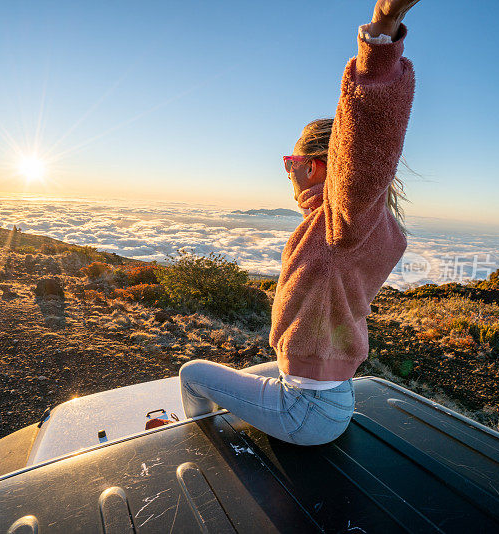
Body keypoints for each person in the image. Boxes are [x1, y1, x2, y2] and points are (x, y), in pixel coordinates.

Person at [179, 0, 420, 446]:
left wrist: (382, 36)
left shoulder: (343, 224)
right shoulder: (370, 225)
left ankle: (191, 439)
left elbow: (367, 140)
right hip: (332, 395)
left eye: (290, 160)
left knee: (193, 374)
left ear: (316, 167)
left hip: (307, 413)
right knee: (244, 373)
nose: (287, 170)